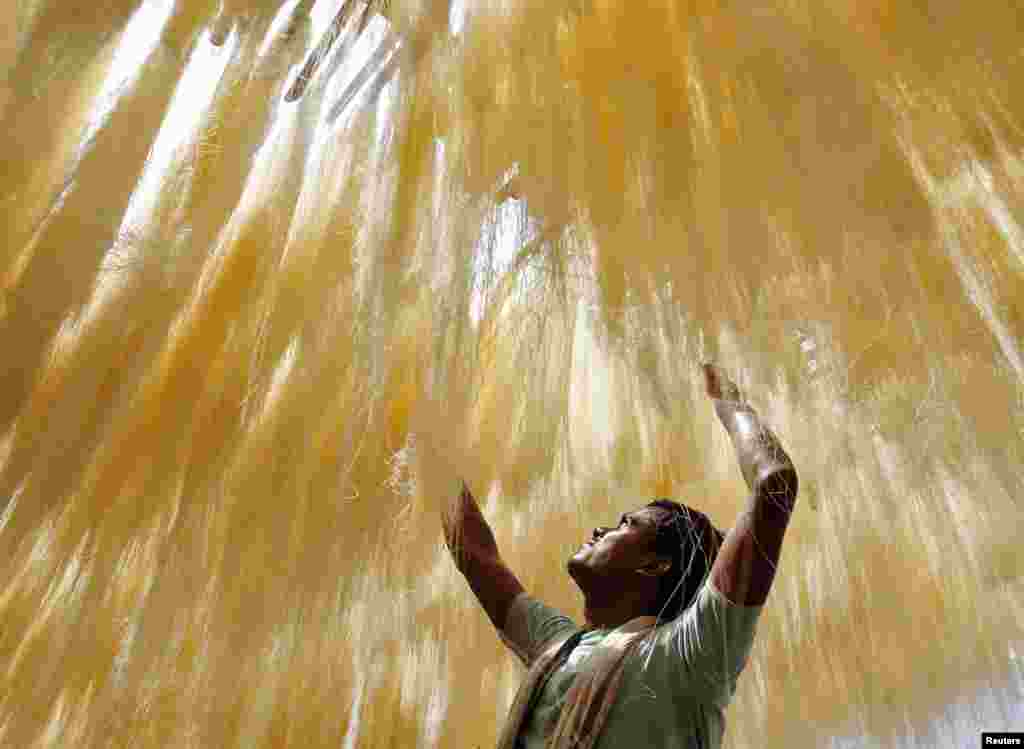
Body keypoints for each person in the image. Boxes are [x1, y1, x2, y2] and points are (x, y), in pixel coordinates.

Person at [442, 364, 798, 748]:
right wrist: (433, 447)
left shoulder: (691, 654)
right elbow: (476, 556)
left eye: (625, 523)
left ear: (655, 564)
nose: (599, 530)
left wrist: (729, 402)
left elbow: (773, 484)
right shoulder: (560, 644)